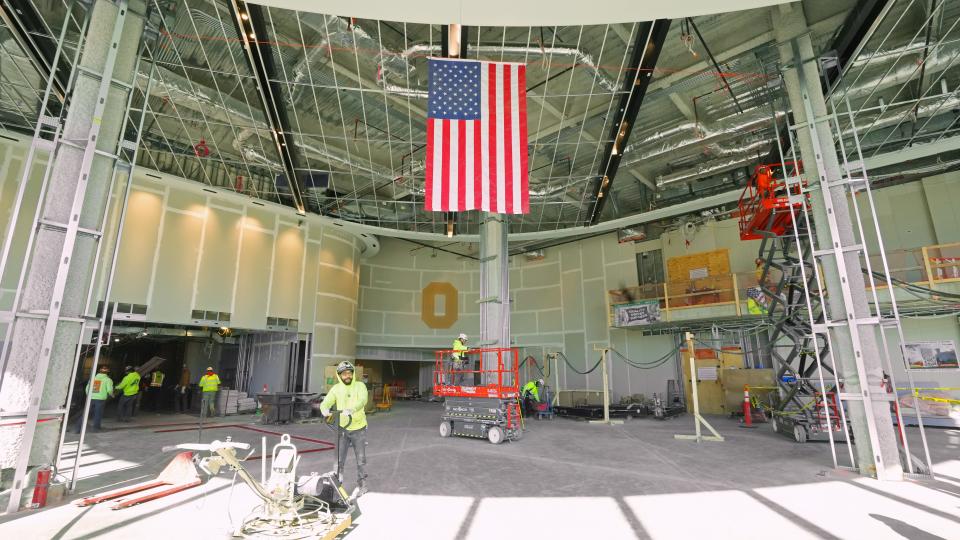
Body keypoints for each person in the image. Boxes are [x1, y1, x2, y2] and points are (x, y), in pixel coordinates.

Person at [320, 361, 369, 494]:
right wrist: (324, 409)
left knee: (361, 459)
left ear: (352, 374)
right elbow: (326, 401)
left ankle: (362, 484)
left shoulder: (360, 386)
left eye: (349, 373)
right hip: (342, 429)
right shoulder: (336, 389)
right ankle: (338, 484)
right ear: (339, 375)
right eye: (344, 374)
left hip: (359, 428)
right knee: (339, 459)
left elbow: (363, 400)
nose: (347, 376)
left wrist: (352, 409)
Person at [76, 365, 114, 432]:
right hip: (100, 400)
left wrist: (90, 396)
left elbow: (87, 389)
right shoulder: (108, 380)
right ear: (108, 372)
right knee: (98, 414)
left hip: (90, 398)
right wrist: (112, 395)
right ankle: (96, 428)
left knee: (86, 413)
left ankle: (78, 428)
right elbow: (109, 390)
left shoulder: (93, 378)